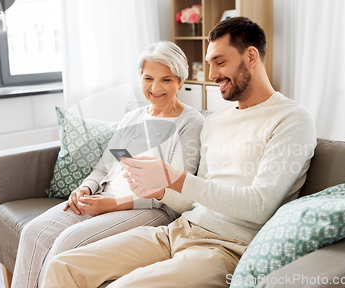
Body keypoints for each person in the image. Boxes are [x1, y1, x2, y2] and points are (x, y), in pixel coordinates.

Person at [40, 17, 317, 288]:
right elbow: (194, 202)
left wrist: (175, 178)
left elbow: (259, 206)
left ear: (251, 56)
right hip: (179, 230)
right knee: (63, 267)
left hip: (227, 248)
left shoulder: (291, 118)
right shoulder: (217, 121)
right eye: (210, 64)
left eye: (220, 62)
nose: (212, 75)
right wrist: (158, 188)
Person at [11, 41, 205, 288]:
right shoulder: (132, 118)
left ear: (180, 81)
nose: (155, 87)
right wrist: (86, 188)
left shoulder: (190, 123)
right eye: (148, 78)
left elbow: (175, 191)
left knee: (66, 244)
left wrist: (111, 206)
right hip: (104, 196)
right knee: (33, 232)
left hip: (150, 210)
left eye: (166, 80)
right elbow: (104, 168)